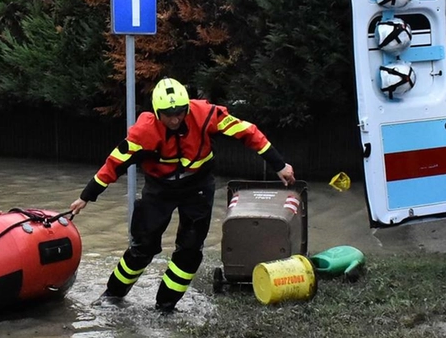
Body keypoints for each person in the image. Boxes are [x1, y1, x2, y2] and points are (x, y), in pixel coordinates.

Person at [69, 78, 295, 312]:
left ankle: (165, 306)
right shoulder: (143, 133)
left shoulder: (206, 115)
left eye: (180, 112)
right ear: (157, 113)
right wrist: (86, 196)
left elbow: (247, 132)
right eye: (169, 114)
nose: (176, 119)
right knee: (142, 247)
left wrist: (279, 165)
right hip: (159, 189)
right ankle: (113, 295)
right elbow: (115, 164)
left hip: (197, 187)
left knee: (190, 250)